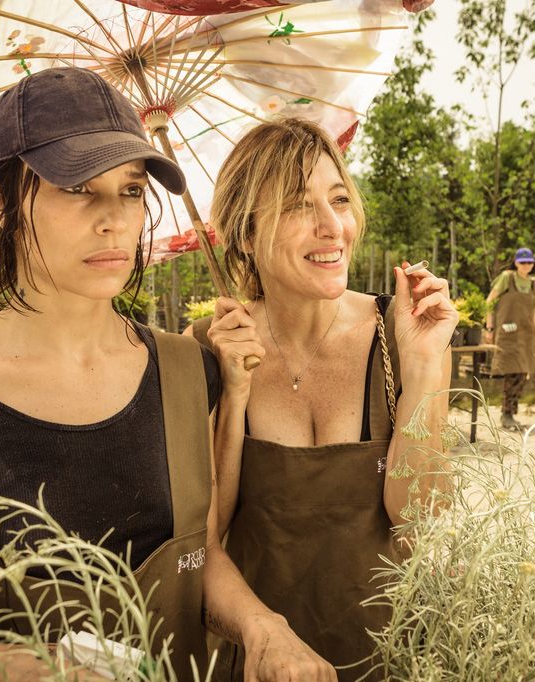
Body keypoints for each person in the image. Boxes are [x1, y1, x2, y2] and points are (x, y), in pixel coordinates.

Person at [0, 67, 333, 682]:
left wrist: (262, 627)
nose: (114, 219)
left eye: (132, 190)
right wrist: (18, 671)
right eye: (77, 188)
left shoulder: (189, 374)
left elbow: (200, 555)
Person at [187, 118, 457, 681]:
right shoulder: (208, 349)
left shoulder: (403, 332)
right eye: (296, 205)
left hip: (387, 652)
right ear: (245, 233)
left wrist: (424, 368)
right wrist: (233, 391)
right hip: (259, 657)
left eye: (339, 200)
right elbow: (206, 538)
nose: (333, 227)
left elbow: (419, 519)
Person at [484, 247, 535, 431]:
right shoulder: (507, 278)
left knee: (523, 373)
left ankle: (510, 413)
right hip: (508, 333)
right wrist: (489, 327)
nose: (526, 265)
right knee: (512, 372)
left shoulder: (534, 284)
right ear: (516, 262)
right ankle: (506, 413)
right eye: (522, 262)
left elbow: (533, 313)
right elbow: (489, 301)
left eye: (529, 262)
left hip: (526, 335)